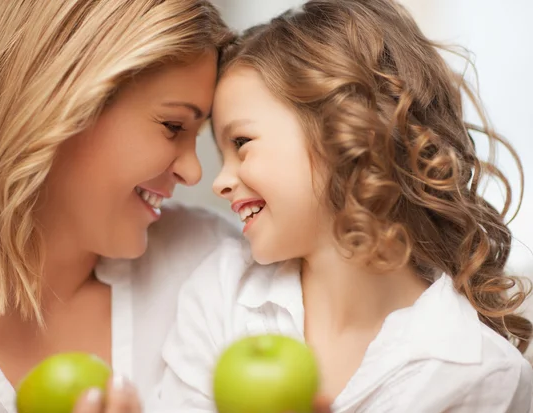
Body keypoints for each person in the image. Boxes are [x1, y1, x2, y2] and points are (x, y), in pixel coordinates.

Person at [149, 0, 533, 412]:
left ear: (348, 132)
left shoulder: (480, 375)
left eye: (241, 143)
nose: (220, 182)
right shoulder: (221, 289)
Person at [0, 1, 237, 412]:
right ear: (58, 104)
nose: (194, 171)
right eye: (173, 127)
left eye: (198, 136)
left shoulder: (217, 271)